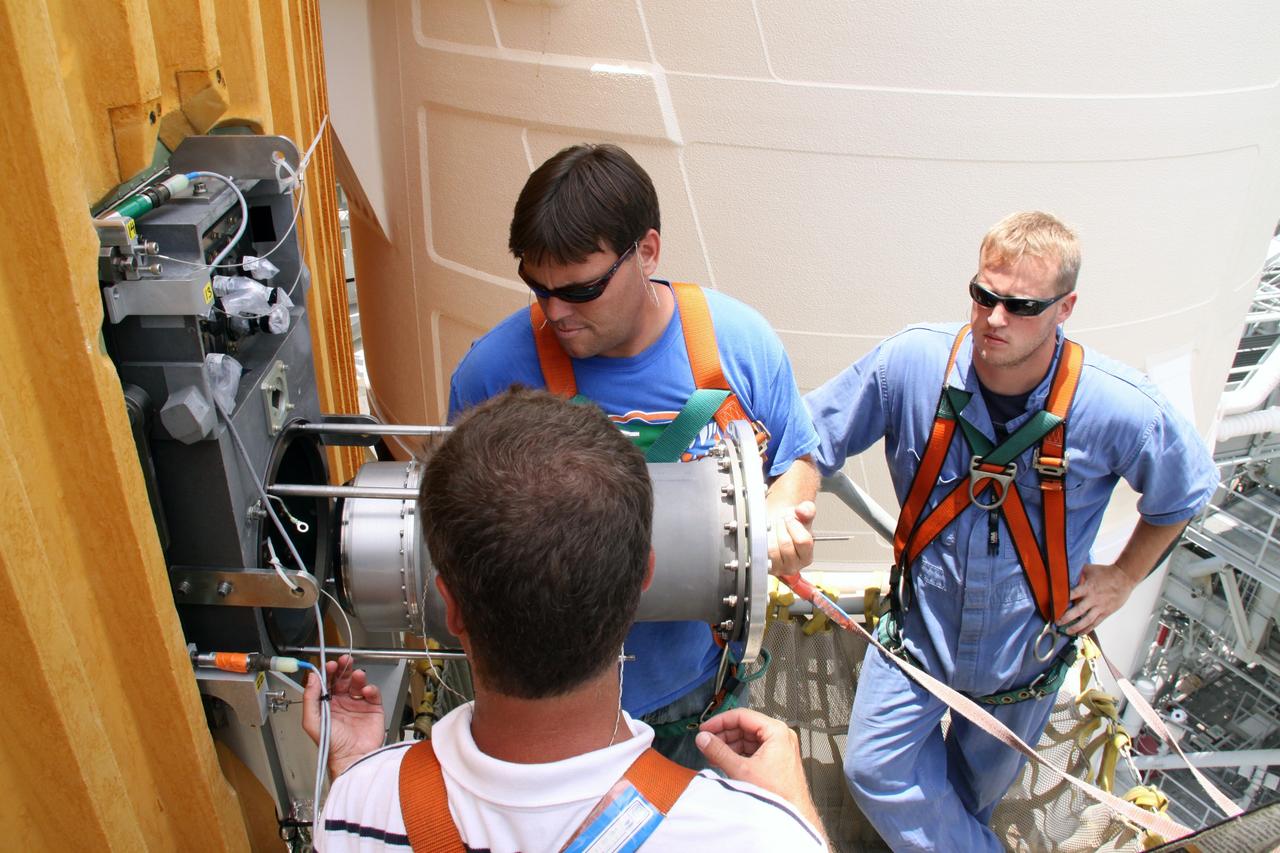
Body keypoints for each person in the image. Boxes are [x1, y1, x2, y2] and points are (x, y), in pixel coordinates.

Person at [805, 211, 1217, 851]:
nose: (994, 319)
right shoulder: (913, 363)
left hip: (1021, 659)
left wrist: (1125, 576)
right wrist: (788, 503)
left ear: (1065, 307)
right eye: (983, 296)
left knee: (970, 797)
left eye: (1020, 305)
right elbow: (812, 439)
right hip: (919, 636)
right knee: (875, 768)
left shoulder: (1116, 408)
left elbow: (1185, 491)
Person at [303, 389, 827, 851]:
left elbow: (365, 820)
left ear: (451, 606)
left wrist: (357, 769)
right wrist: (794, 811)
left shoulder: (353, 814)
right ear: (644, 580)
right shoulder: (749, 834)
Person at [446, 143, 820, 765]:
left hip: (693, 698)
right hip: (542, 710)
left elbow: (796, 458)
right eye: (537, 288)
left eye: (582, 289)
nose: (555, 312)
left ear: (646, 251)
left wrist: (782, 515)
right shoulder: (492, 376)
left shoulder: (735, 344)